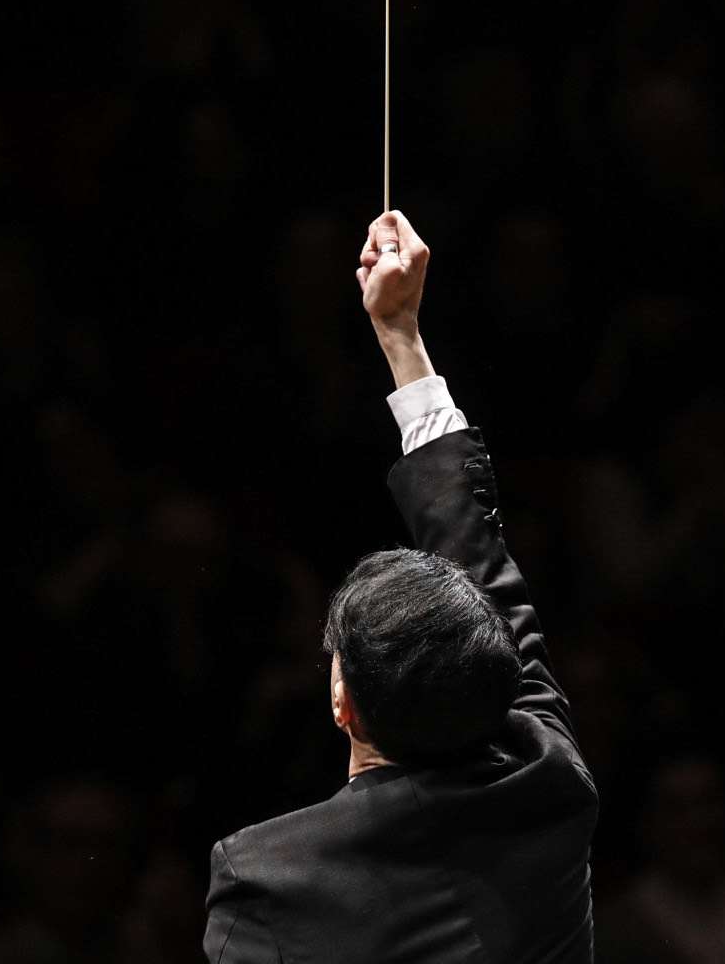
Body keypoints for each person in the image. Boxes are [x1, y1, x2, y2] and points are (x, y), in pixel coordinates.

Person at [201, 211, 598, 962]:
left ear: (341, 699)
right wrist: (400, 335)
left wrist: (397, 331)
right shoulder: (549, 781)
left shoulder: (266, 875)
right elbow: (479, 563)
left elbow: (482, 580)